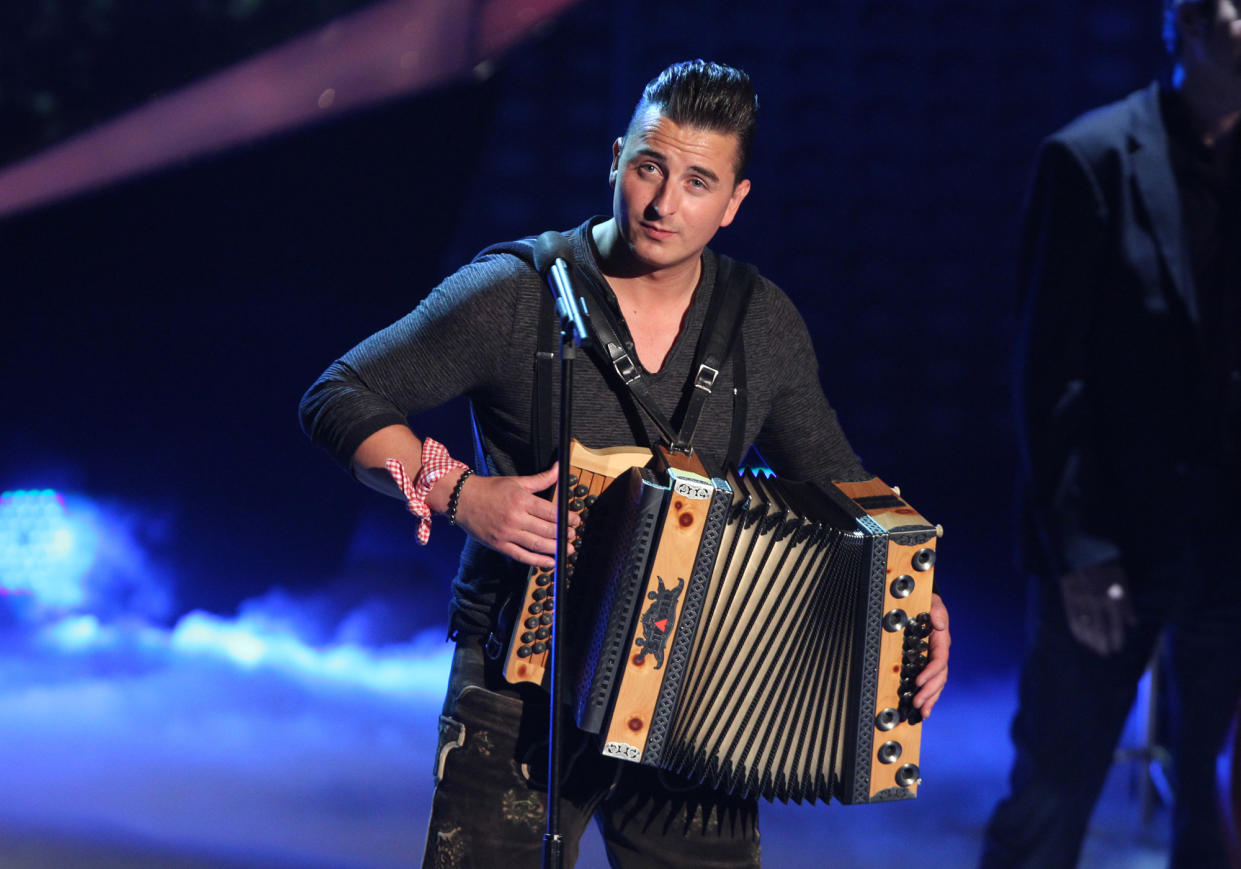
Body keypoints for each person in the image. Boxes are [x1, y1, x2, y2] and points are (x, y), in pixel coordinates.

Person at [301, 59, 950, 868]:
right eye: (649, 166)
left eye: (698, 181)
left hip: (696, 691)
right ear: (615, 158)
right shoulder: (514, 293)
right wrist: (456, 490)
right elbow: (338, 397)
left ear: (734, 202)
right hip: (518, 685)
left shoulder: (760, 321)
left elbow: (838, 486)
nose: (663, 202)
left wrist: (908, 595)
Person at [979, 2, 1241, 866]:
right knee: (1051, 796)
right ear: (1185, 25)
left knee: (1215, 812)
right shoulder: (1089, 157)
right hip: (1114, 539)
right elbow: (1047, 377)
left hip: (1229, 541)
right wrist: (1080, 548)